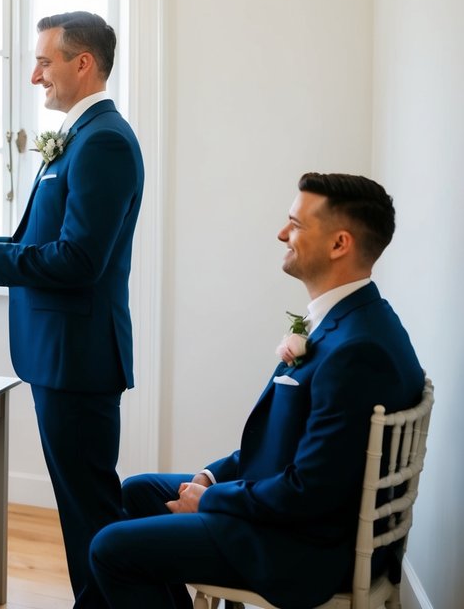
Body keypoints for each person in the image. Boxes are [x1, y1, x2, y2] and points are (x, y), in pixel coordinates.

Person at [89, 173, 424, 608]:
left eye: (296, 224)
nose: (282, 233)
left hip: (301, 549)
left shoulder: (356, 351)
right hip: (294, 519)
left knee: (110, 548)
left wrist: (213, 500)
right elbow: (283, 445)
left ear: (339, 244)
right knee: (139, 491)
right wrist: (211, 478)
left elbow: (311, 491)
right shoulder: (355, 320)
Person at [0, 11, 144, 608]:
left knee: (91, 507)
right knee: (82, 506)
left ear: (83, 62)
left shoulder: (102, 141)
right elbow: (48, 240)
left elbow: (78, 261)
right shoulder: (81, 137)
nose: (34, 75)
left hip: (77, 357)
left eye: (44, 61)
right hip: (59, 354)